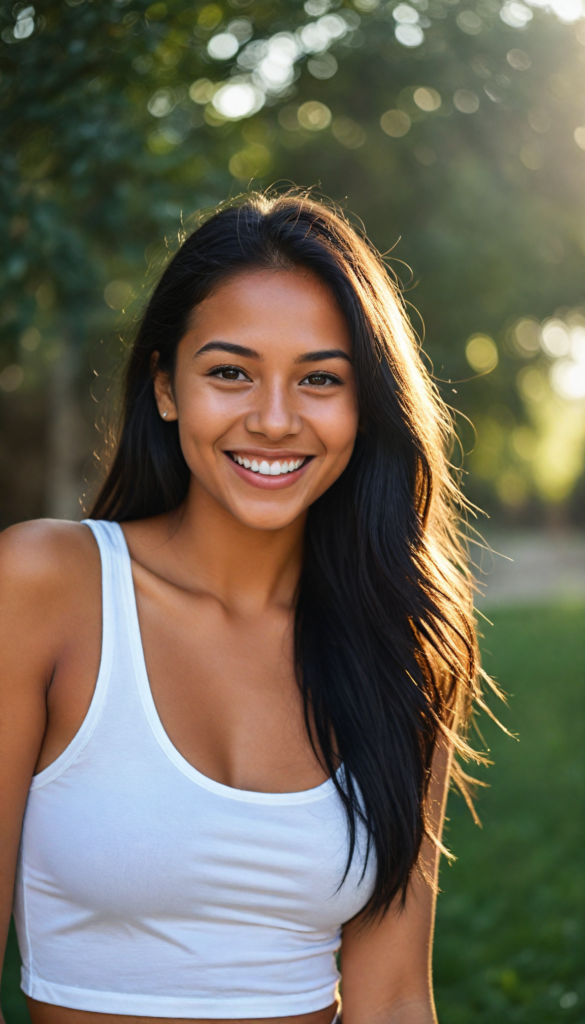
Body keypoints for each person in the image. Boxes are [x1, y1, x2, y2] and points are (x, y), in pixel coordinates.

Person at [0, 191, 486, 1024]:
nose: (272, 419)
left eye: (319, 380)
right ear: (164, 387)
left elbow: (395, 995)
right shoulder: (46, 585)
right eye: (230, 372)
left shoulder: (401, 642)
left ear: (363, 404)